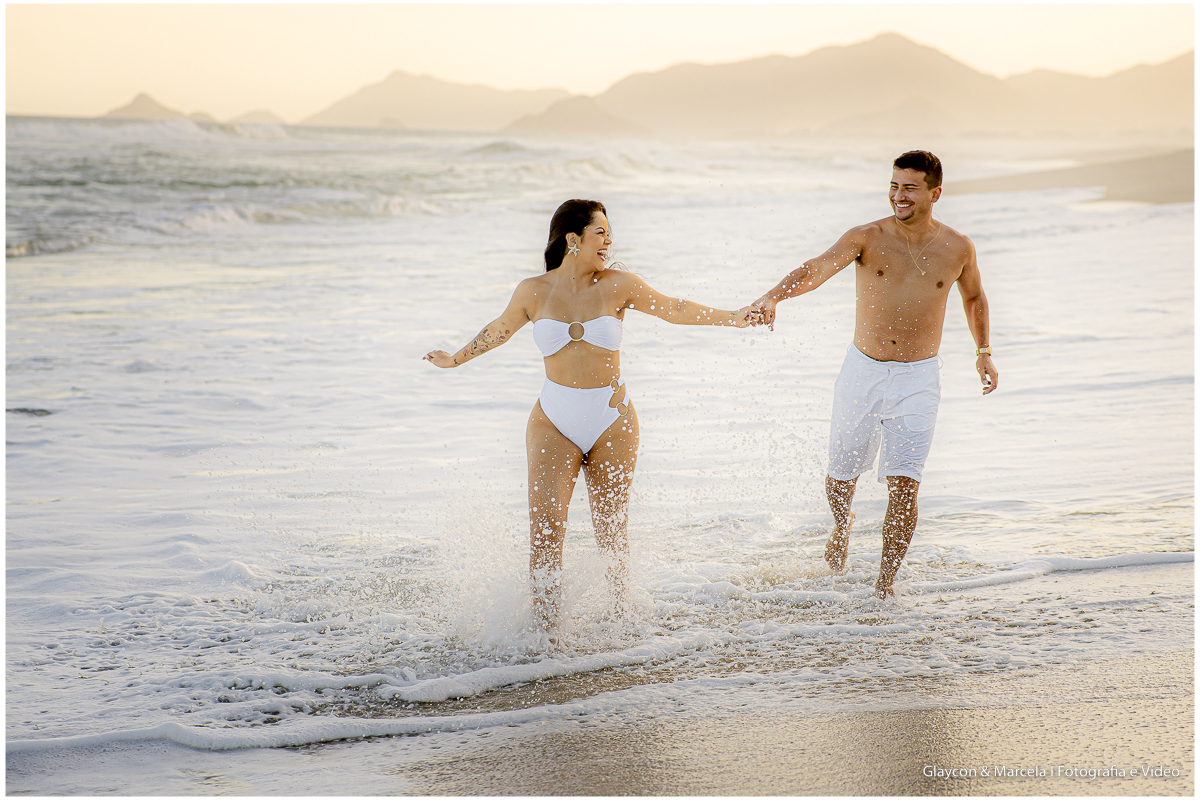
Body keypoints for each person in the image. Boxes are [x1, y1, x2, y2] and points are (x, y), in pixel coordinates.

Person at [426, 199, 759, 634]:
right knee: (545, 534)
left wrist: (734, 318)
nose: (609, 240)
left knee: (612, 534)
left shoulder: (619, 284)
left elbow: (674, 308)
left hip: (612, 421)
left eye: (608, 233)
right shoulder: (533, 291)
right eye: (600, 232)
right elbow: (500, 329)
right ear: (573, 239)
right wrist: (456, 359)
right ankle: (544, 638)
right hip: (554, 420)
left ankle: (626, 625)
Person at [752, 151, 998, 599]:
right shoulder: (867, 236)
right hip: (861, 373)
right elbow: (816, 269)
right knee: (841, 475)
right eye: (893, 185)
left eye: (909, 188)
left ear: (934, 193)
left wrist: (983, 351)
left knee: (906, 485)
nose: (897, 195)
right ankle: (840, 527)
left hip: (919, 379)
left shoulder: (958, 247)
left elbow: (975, 297)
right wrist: (773, 297)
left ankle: (884, 587)